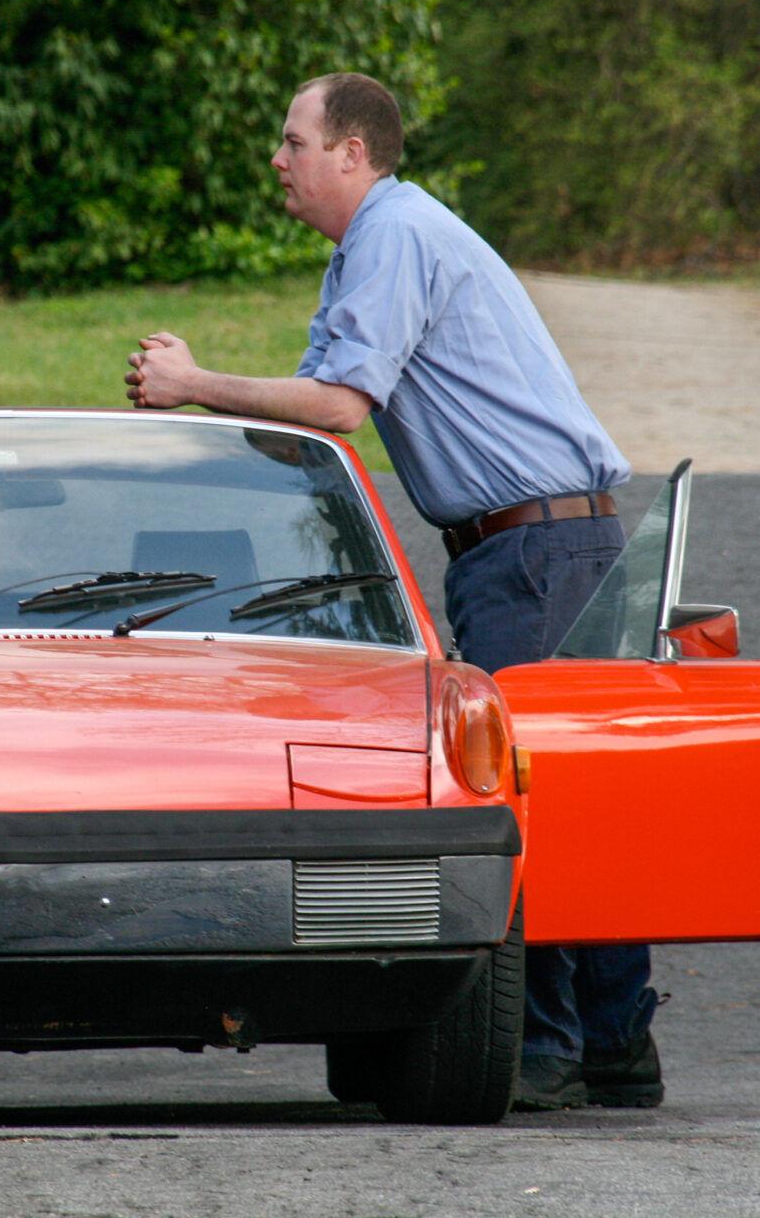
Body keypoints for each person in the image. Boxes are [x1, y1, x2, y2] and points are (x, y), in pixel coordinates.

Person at [123, 71, 662, 1111]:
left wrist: (192, 385)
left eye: (292, 142)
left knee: (519, 800)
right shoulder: (381, 242)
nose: (277, 161)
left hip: (535, 552)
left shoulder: (391, 236)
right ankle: (616, 1044)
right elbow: (323, 414)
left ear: (353, 154)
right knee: (573, 793)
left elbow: (337, 404)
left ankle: (543, 1047)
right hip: (545, 545)